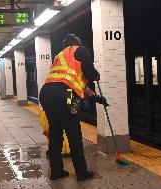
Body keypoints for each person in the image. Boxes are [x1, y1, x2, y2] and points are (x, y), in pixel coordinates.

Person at [39, 34, 109, 181]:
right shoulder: (81, 50)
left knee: (55, 133)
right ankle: (82, 172)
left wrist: (96, 97)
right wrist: (96, 75)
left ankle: (56, 171)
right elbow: (89, 73)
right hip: (67, 95)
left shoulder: (60, 56)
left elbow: (75, 82)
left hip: (46, 93)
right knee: (74, 133)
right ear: (78, 43)